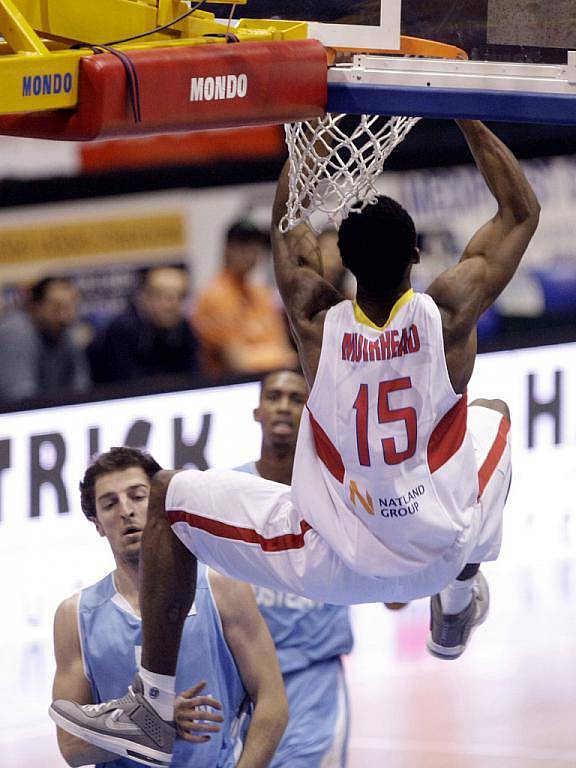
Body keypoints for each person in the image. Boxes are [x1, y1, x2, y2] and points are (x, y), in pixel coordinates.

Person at [51, 120, 540, 767]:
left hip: (330, 559)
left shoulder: (315, 320)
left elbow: (288, 227)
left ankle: (152, 703)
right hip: (439, 548)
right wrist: (465, 114)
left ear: (345, 264)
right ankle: (454, 605)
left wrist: (303, 146)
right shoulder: (449, 314)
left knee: (168, 498)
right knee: (496, 415)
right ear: (417, 259)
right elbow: (520, 211)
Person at [50, 447, 288, 768]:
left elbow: (273, 704)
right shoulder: (74, 616)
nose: (126, 511)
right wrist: (153, 724)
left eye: (137, 496)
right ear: (97, 524)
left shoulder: (221, 586)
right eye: (110, 504)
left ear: (160, 503)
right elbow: (72, 746)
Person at [236, 369, 354, 767]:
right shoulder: (231, 491)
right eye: (274, 397)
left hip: (315, 676)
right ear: (257, 411)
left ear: (311, 412)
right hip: (245, 680)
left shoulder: (340, 490)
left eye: (296, 398)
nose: (284, 407)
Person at [192, 220, 298, 375]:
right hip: (232, 387)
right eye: (241, 245)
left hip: (272, 378)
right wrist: (279, 358)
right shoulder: (215, 295)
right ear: (227, 249)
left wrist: (277, 357)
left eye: (254, 245)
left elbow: (284, 348)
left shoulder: (261, 293)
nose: (248, 252)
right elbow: (237, 363)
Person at [89, 265, 200, 385]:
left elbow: (193, 376)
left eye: (179, 297)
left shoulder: (184, 328)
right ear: (146, 297)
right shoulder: (122, 330)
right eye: (162, 297)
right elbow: (126, 383)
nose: (171, 306)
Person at [0, 276, 90, 405]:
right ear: (35, 306)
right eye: (56, 307)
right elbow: (19, 398)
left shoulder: (66, 331)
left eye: (71, 306)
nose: (64, 316)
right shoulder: (15, 332)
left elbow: (81, 387)